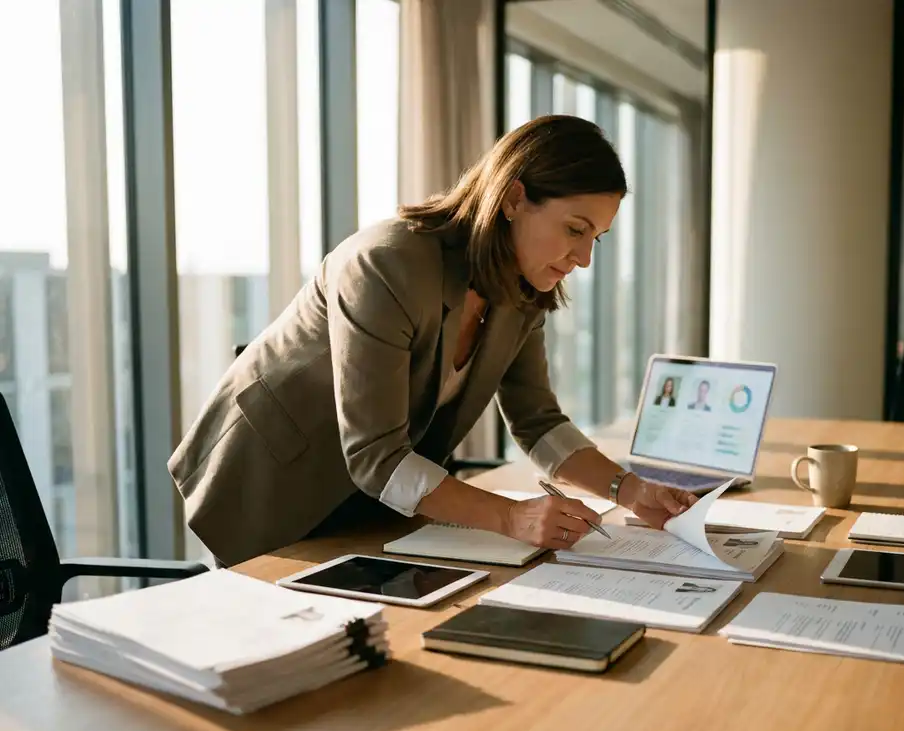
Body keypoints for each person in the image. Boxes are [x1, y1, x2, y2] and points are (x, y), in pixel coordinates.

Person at [168, 115, 699, 567]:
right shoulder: (385, 263)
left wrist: (630, 490)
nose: (583, 259)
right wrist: (511, 516)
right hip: (271, 482)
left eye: (596, 239)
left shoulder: (520, 290)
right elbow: (377, 456)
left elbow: (539, 423)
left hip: (369, 499)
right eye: (575, 229)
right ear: (515, 198)